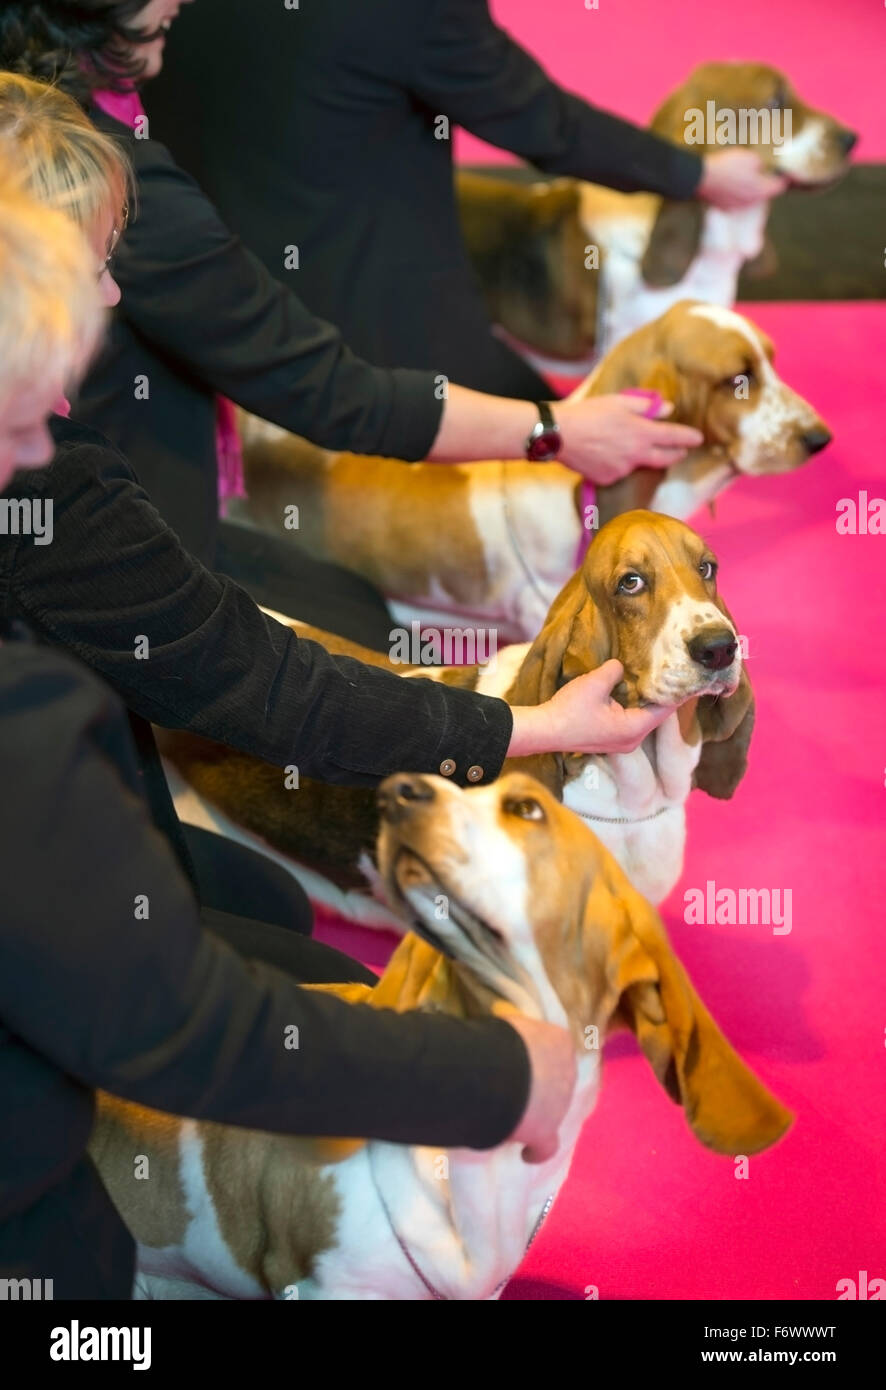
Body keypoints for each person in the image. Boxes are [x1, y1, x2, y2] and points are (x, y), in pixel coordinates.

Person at [0, 166, 577, 1301]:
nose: (35, 452)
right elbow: (177, 1020)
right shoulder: (33, 695)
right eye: (23, 413)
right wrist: (496, 1074)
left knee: (262, 910)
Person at [0, 70, 677, 947]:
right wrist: (530, 726)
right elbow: (271, 686)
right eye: (94, 270)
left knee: (271, 899)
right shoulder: (64, 497)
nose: (113, 296)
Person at [0, 1, 703, 641]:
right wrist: (554, 431)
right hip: (158, 507)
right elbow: (323, 387)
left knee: (358, 618)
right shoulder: (113, 184)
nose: (179, 3)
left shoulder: (60, 119)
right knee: (369, 665)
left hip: (257, 356)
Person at [147, 0, 788, 399]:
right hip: (339, 315)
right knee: (554, 449)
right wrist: (694, 173)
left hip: (167, 260)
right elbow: (543, 123)